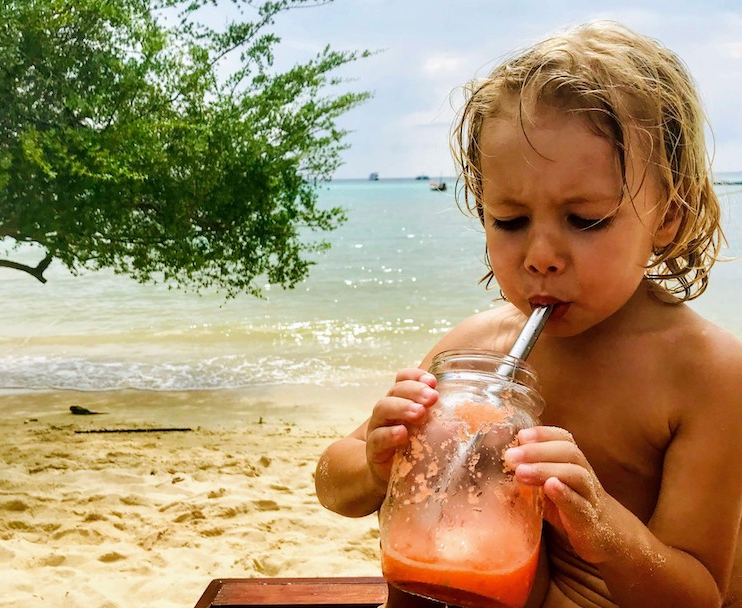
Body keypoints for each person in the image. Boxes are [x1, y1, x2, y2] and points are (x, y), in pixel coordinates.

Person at [315, 20, 742, 608]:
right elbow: (331, 485)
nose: (540, 257)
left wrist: (602, 527)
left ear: (667, 215)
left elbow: (700, 596)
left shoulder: (706, 373)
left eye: (585, 219)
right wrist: (374, 463)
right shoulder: (478, 350)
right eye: (510, 221)